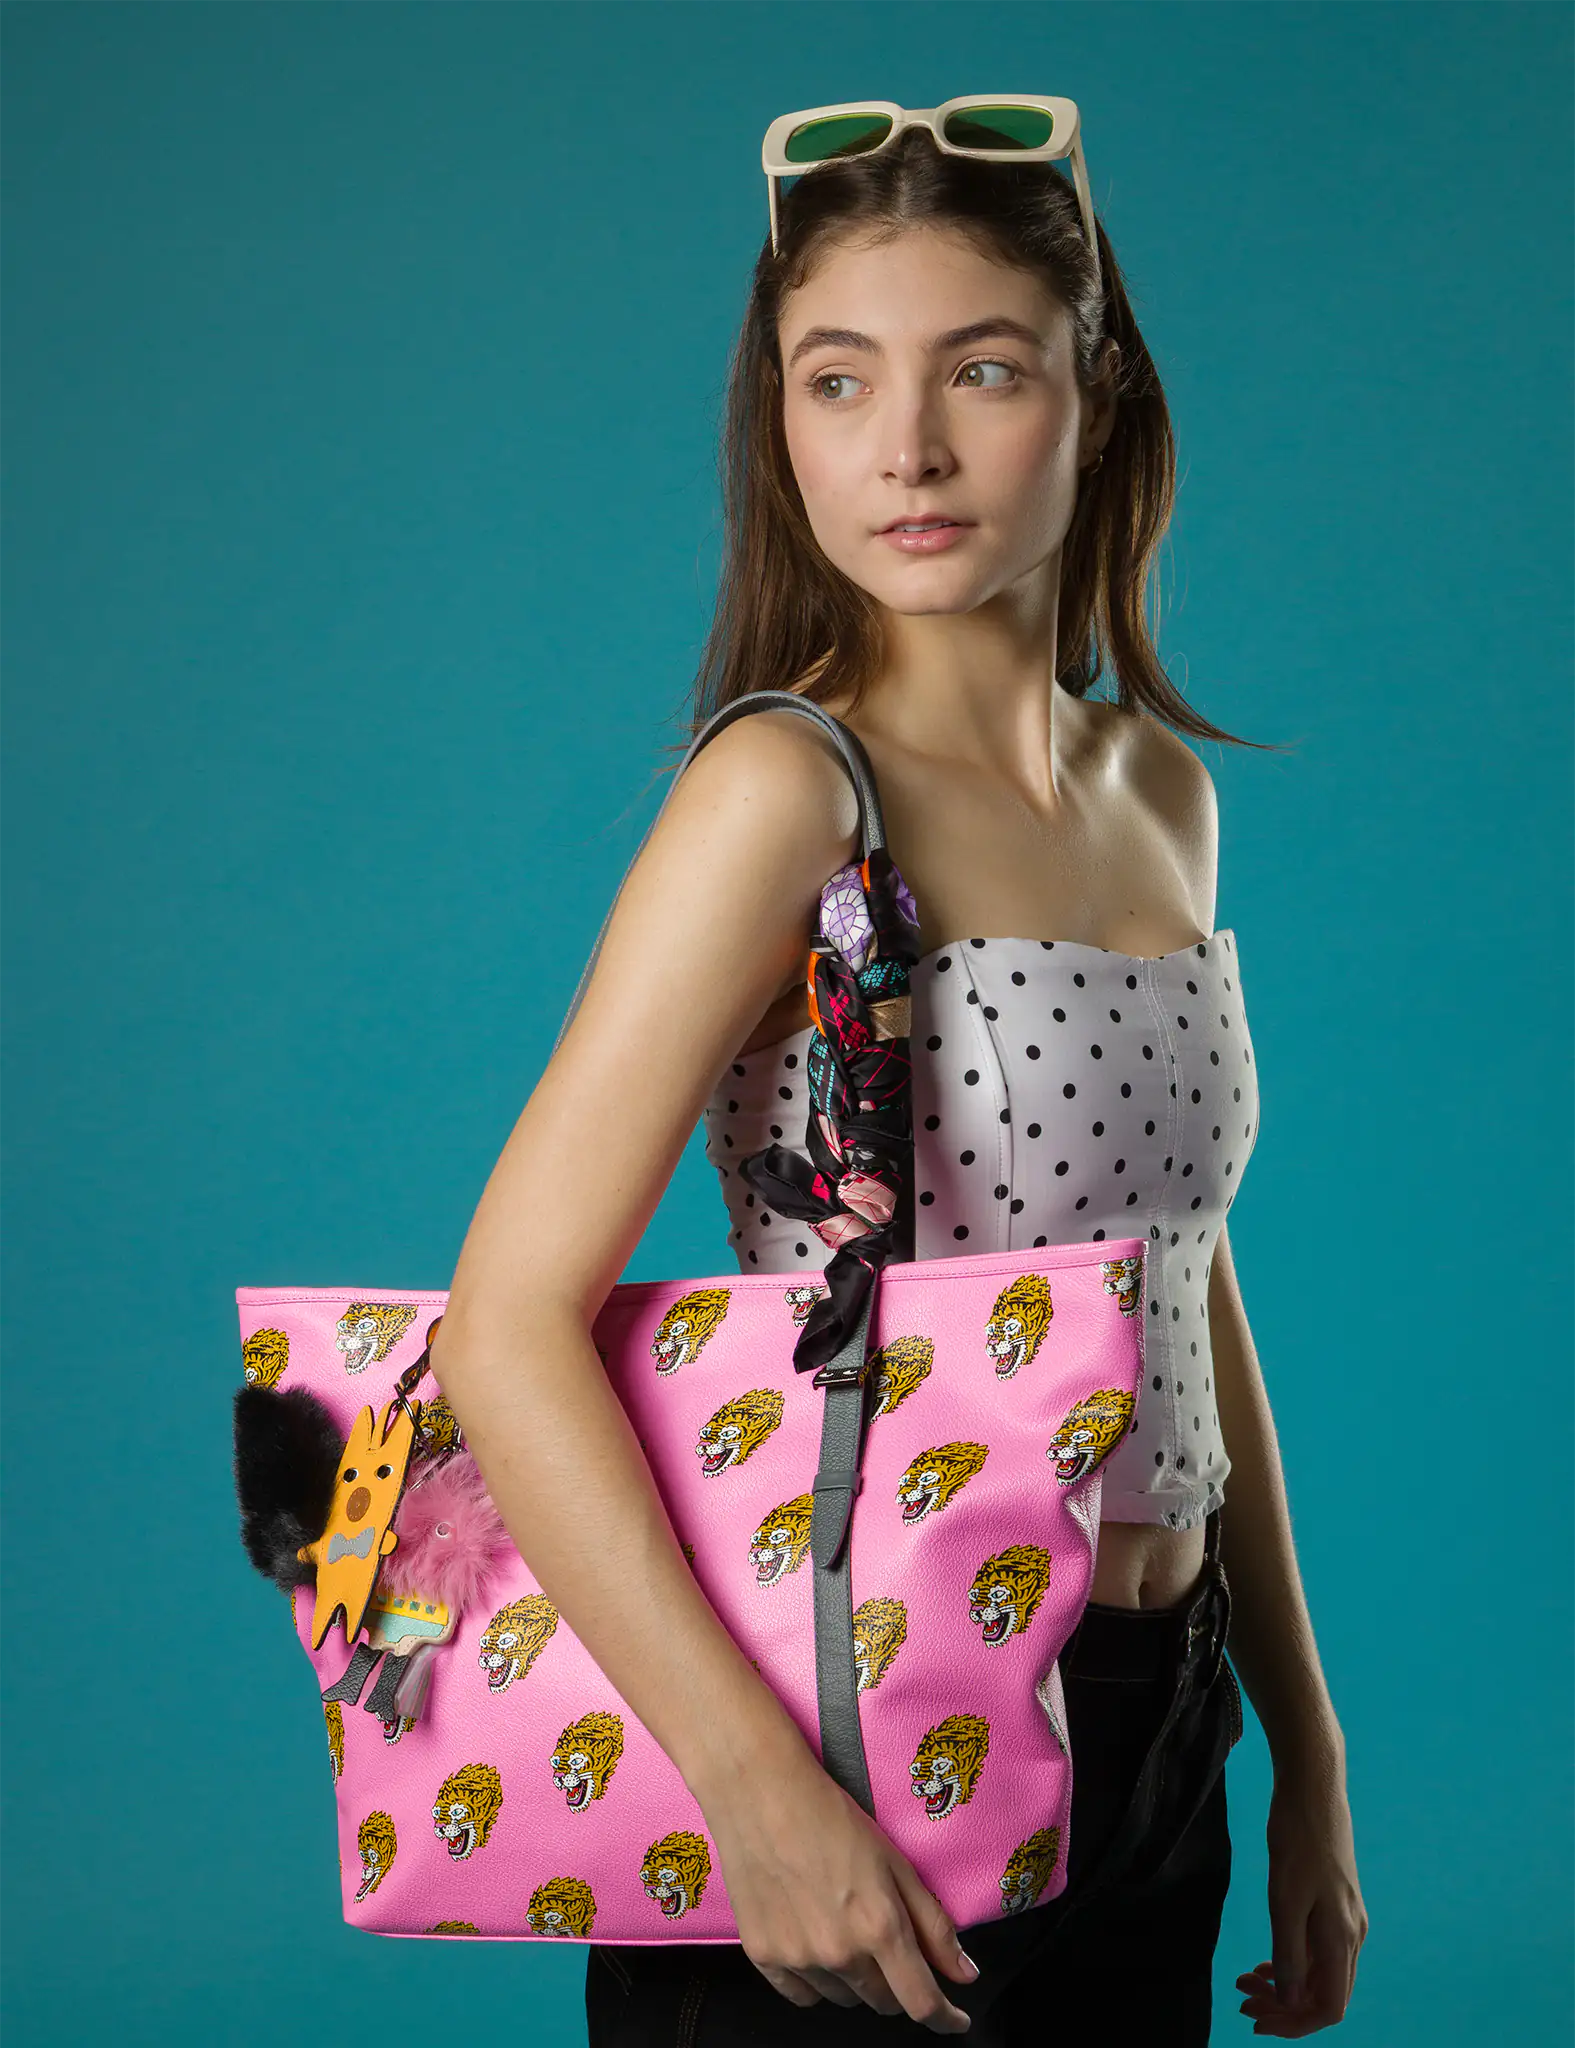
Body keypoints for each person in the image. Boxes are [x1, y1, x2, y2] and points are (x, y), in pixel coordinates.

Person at [432, 104, 1367, 2045]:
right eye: (836, 378)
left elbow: (1181, 1269)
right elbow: (505, 1322)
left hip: (1155, 1717)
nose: (905, 449)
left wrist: (1302, 1739)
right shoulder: (784, 793)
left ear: (1097, 395)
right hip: (857, 1717)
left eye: (983, 370)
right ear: (777, 422)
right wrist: (755, 1797)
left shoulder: (1155, 793)